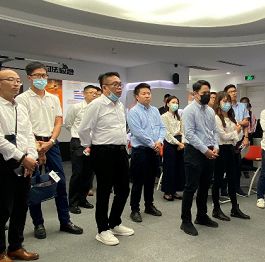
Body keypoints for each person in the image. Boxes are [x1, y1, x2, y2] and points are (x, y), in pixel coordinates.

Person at [16, 62, 83, 239]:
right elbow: (23, 126)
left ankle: (65, 221)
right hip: (31, 144)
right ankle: (38, 223)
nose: (42, 78)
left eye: (44, 75)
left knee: (59, 181)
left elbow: (58, 122)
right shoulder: (22, 99)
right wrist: (38, 148)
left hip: (52, 145)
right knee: (34, 184)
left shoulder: (53, 98)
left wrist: (51, 141)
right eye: (37, 75)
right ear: (29, 77)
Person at [0, 69, 40, 262]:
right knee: (3, 208)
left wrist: (31, 158)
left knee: (21, 206)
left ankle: (16, 246)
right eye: (11, 80)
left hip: (25, 161)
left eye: (18, 80)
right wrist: (22, 158)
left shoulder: (20, 107)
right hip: (3, 162)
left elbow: (28, 134)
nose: (16, 83)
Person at [78, 72, 134, 246]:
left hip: (120, 151)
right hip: (103, 152)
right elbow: (83, 129)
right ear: (104, 87)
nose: (119, 87)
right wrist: (90, 146)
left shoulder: (119, 105)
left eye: (120, 84)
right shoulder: (96, 105)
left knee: (123, 189)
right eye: (114, 84)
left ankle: (115, 223)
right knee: (104, 191)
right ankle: (102, 230)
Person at [180, 80, 219, 236]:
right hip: (194, 152)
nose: (207, 95)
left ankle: (201, 216)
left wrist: (215, 147)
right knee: (191, 187)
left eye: (208, 93)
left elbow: (214, 131)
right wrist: (205, 150)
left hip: (209, 151)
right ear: (195, 94)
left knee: (204, 186)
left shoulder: (210, 111)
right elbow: (189, 134)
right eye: (204, 93)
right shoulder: (189, 110)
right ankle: (185, 221)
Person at [127, 83, 165, 223]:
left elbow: (162, 128)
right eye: (144, 93)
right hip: (141, 151)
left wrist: (159, 141)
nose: (147, 96)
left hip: (154, 151)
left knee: (150, 181)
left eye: (149, 93)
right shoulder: (133, 112)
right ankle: (134, 209)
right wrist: (153, 144)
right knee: (138, 182)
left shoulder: (155, 110)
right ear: (136, 96)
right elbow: (138, 132)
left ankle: (149, 205)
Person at [211, 92, 250, 221]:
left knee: (233, 179)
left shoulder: (232, 117)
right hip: (221, 150)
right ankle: (216, 209)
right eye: (224, 101)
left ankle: (235, 208)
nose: (227, 103)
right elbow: (222, 136)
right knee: (218, 179)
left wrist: (234, 134)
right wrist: (235, 133)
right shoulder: (216, 117)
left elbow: (238, 135)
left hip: (232, 149)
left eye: (228, 101)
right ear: (218, 103)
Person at [64, 84, 98, 214]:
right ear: (84, 94)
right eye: (90, 92)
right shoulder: (76, 107)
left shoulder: (97, 108)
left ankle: (83, 199)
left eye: (95, 93)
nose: (93, 95)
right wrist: (78, 134)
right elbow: (68, 124)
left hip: (92, 143)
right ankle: (73, 202)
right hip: (78, 142)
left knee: (88, 173)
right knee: (77, 173)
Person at [224, 84, 250, 196]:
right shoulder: (225, 106)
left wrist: (246, 137)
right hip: (228, 139)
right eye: (230, 92)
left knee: (238, 165)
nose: (233, 93)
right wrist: (240, 122)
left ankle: (236, 187)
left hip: (239, 139)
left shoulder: (242, 106)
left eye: (234, 91)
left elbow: (246, 123)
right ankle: (224, 188)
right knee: (226, 165)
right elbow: (227, 122)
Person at [160, 95, 185, 201]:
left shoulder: (179, 116)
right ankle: (167, 192)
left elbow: (183, 130)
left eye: (177, 102)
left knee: (178, 168)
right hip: (170, 143)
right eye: (173, 102)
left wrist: (182, 142)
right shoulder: (164, 116)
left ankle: (174, 191)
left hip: (180, 143)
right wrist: (177, 143)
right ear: (168, 104)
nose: (175, 104)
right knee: (169, 168)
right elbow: (167, 134)